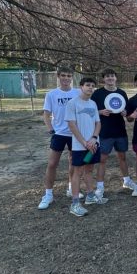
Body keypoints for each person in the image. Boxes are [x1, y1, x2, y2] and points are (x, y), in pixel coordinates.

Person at [38, 66, 82, 209]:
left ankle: (71, 188)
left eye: (69, 76)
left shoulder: (78, 92)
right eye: (63, 75)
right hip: (59, 134)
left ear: (72, 77)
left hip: (74, 134)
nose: (66, 78)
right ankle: (48, 195)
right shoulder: (52, 94)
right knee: (52, 164)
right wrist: (51, 130)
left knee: (73, 163)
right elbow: (46, 114)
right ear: (58, 76)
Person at [64, 77, 106, 217]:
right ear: (81, 86)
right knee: (78, 172)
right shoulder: (72, 103)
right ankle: (75, 204)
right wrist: (84, 142)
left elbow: (98, 123)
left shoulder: (93, 103)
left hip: (93, 145)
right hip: (79, 146)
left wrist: (93, 139)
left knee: (89, 170)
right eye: (88, 85)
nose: (90, 88)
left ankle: (90, 196)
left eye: (93, 86)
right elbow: (72, 125)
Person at [91, 68, 135, 198]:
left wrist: (125, 113)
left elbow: (126, 110)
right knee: (102, 159)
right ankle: (100, 187)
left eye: (112, 76)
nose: (110, 78)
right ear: (103, 79)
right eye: (107, 76)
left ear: (116, 78)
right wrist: (100, 112)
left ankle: (126, 181)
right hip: (104, 131)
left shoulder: (121, 92)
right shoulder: (97, 93)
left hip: (120, 130)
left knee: (122, 157)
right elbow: (90, 110)